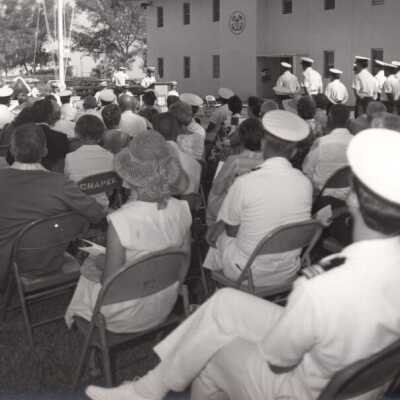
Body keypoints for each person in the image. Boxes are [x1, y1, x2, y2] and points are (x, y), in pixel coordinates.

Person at [87, 128, 400, 400]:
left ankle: (150, 389)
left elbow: (278, 357)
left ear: (354, 199)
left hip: (309, 388)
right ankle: (147, 390)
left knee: (209, 352)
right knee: (224, 304)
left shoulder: (320, 286)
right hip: (362, 378)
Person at [65, 130, 192, 333]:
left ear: (129, 178)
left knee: (87, 271)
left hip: (122, 316)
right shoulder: (182, 209)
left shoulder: (121, 220)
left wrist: (99, 263)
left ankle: (79, 323)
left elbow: (110, 283)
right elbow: (183, 265)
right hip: (163, 303)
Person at [203, 110, 313, 286]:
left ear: (263, 145)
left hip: (249, 272)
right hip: (289, 270)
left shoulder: (245, 183)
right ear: (293, 153)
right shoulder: (305, 183)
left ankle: (216, 290)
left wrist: (216, 227)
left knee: (217, 235)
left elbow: (232, 232)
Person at [0, 123, 104, 287]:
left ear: (12, 151)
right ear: (44, 151)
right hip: (48, 259)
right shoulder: (60, 183)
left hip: (7, 263)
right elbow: (97, 213)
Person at [206, 118, 265, 226]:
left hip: (232, 213)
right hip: (256, 213)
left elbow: (216, 190)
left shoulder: (235, 161)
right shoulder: (267, 160)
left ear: (242, 137)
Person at [7, 97, 70, 172]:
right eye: (57, 113)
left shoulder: (19, 134)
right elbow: (61, 167)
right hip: (49, 180)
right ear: (51, 116)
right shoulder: (60, 138)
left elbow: (10, 159)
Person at [302, 104, 352, 199]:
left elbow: (307, 170)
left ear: (330, 119)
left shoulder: (320, 143)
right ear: (348, 120)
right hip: (349, 201)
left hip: (322, 199)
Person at [64, 115, 114, 208]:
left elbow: (68, 185)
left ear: (77, 134)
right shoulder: (110, 156)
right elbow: (110, 190)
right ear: (100, 135)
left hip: (78, 208)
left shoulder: (69, 158)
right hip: (102, 207)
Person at [153, 112, 201, 195]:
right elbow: (189, 203)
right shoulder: (194, 165)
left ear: (153, 131)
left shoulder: (139, 158)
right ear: (178, 132)